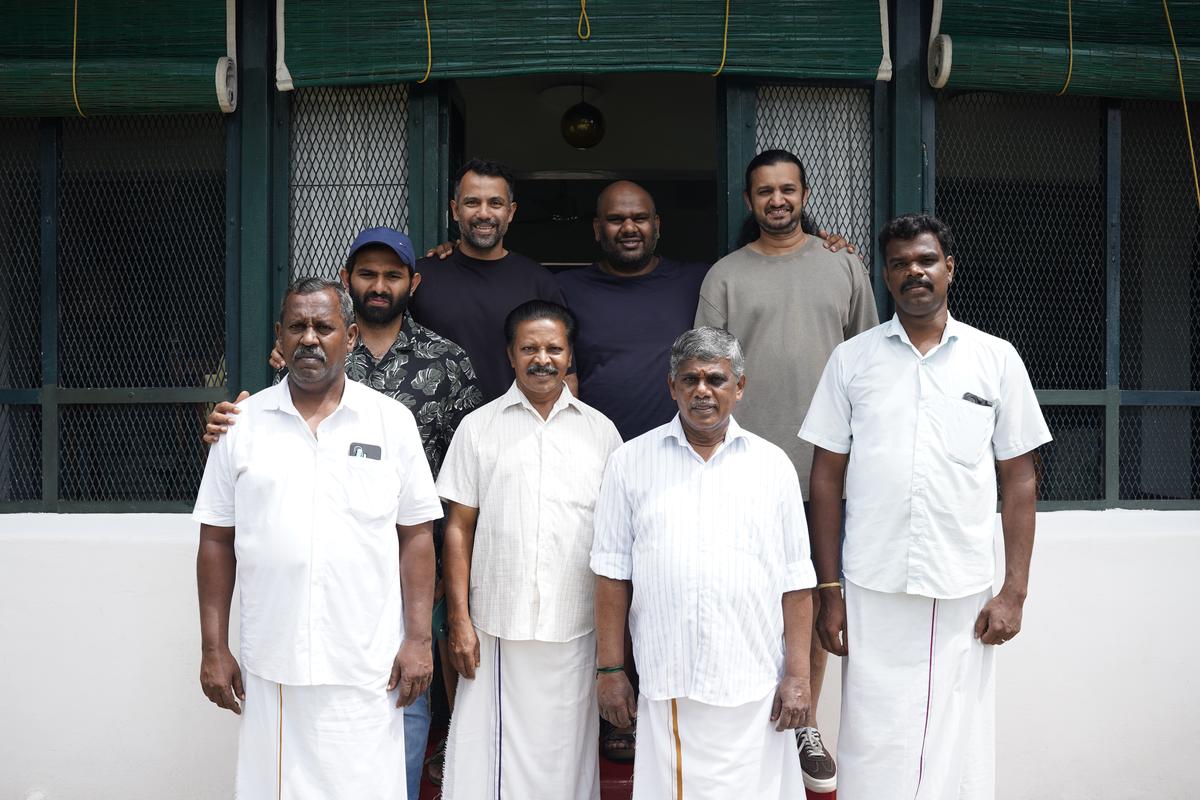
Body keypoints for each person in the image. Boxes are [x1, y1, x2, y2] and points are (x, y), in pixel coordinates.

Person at [202, 228, 482, 799]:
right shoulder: (241, 426)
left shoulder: (390, 422)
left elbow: (417, 537)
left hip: (367, 661)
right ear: (279, 336)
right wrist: (213, 647)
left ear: (349, 336)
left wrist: (418, 641)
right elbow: (215, 540)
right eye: (297, 327)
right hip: (272, 660)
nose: (310, 338)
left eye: (323, 327)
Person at [800, 214, 1051, 800]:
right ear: (886, 277)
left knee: (957, 733)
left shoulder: (995, 359)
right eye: (900, 263)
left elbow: (1019, 479)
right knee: (872, 730)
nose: (914, 271)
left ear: (949, 269)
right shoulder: (852, 361)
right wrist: (828, 589)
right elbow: (825, 477)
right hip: (870, 582)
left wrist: (1014, 591)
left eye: (926, 260)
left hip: (961, 583)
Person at [695, 148, 878, 791]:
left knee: (820, 598)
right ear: (749, 202)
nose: (777, 200)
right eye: (765, 192)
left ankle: (807, 721)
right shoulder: (724, 275)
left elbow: (870, 365)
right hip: (744, 467)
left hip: (825, 472)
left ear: (804, 194)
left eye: (788, 189)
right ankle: (747, 710)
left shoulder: (843, 264)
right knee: (748, 593)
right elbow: (707, 371)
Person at [591, 326, 817, 799]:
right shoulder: (630, 462)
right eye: (689, 379)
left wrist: (797, 676)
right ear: (671, 387)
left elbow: (796, 581)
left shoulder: (772, 466)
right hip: (672, 677)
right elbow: (612, 574)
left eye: (715, 379)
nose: (702, 391)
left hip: (755, 680)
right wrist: (611, 670)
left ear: (739, 387)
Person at [436, 300, 622, 799]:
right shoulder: (479, 428)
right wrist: (459, 620)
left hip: (575, 625)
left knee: (565, 756)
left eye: (554, 348)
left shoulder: (600, 432)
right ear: (510, 355)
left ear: (569, 355)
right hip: (496, 624)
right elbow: (458, 527)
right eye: (530, 348)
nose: (542, 358)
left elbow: (616, 541)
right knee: (487, 757)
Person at [411, 158, 569, 402]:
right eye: (472, 202)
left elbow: (566, 376)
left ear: (511, 211)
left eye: (495, 203)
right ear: (455, 210)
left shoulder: (539, 282)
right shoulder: (421, 278)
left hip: (517, 432)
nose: (483, 213)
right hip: (436, 434)